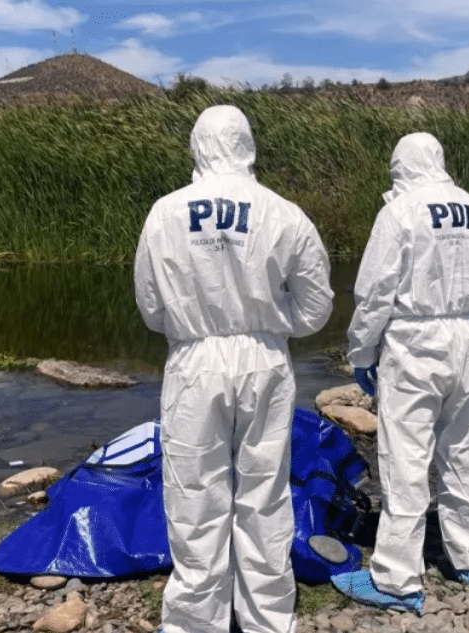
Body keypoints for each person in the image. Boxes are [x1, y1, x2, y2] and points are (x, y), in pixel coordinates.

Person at [133, 104, 334, 633]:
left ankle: (196, 621)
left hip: (195, 361)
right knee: (264, 493)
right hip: (264, 360)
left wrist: (194, 323)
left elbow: (152, 308)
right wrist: (268, 320)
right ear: (248, 145)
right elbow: (316, 309)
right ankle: (267, 618)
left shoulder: (166, 212)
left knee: (194, 492)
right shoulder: (283, 212)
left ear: (198, 144)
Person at [332, 132, 469, 614]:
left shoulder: (400, 213)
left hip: (415, 342)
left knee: (405, 458)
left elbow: (375, 293)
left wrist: (362, 353)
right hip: (466, 339)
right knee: (464, 448)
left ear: (401, 165)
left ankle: (397, 580)